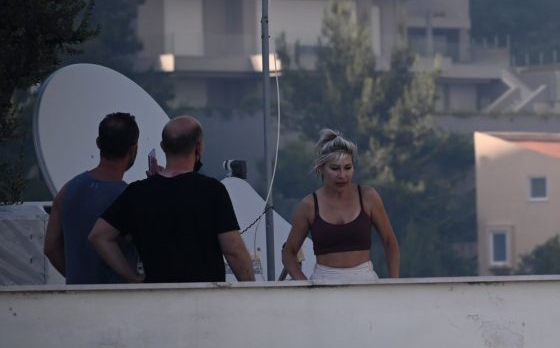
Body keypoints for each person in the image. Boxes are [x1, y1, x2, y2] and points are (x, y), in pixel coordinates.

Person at [89, 116, 255, 283]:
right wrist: (252, 294)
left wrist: (132, 277)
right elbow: (233, 250)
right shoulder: (212, 191)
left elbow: (99, 236)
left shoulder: (138, 192)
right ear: (199, 147)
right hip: (204, 300)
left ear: (162, 146)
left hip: (157, 299)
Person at [282, 129, 400, 282]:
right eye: (335, 168)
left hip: (365, 280)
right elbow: (289, 253)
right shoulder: (309, 205)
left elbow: (390, 242)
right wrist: (306, 286)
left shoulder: (369, 197)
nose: (342, 175)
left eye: (347, 168)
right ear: (321, 168)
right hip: (324, 281)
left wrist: (394, 284)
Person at [43, 112, 140, 284]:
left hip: (78, 300)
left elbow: (51, 248)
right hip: (120, 302)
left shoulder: (68, 190)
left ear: (98, 143)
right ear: (132, 149)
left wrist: (77, 280)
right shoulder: (130, 198)